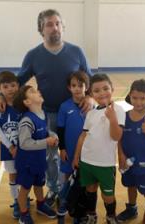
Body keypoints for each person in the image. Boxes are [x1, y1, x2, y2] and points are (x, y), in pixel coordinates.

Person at [0, 9, 92, 206]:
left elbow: (89, 78)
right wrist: (0, 95)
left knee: (73, 152)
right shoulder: (33, 55)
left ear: (62, 27)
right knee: (49, 157)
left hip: (73, 113)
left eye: (57, 24)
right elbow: (17, 82)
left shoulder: (76, 52)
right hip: (45, 115)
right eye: (49, 24)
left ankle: (72, 188)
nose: (54, 28)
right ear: (41, 29)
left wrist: (89, 97)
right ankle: (54, 190)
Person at [72, 73, 126, 224]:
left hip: (105, 163)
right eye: (97, 91)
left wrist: (113, 119)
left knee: (108, 195)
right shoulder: (91, 113)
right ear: (92, 93)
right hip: (87, 161)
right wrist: (77, 157)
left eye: (105, 88)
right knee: (90, 190)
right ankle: (91, 215)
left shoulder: (118, 110)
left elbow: (116, 137)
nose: (102, 93)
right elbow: (83, 136)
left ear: (112, 89)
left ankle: (110, 216)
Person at [117, 79, 145, 224]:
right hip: (128, 161)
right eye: (135, 98)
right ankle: (132, 209)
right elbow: (119, 139)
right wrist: (121, 155)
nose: (138, 102)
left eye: (143, 98)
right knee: (130, 186)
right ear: (129, 96)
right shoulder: (124, 115)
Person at [13, 85, 58, 224]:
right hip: (27, 162)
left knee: (39, 184)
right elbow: (25, 143)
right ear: (27, 102)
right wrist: (46, 141)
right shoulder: (27, 120)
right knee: (25, 189)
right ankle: (23, 213)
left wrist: (52, 135)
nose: (38, 91)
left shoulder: (43, 113)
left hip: (39, 159)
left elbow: (45, 131)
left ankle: (40, 205)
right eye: (32, 92)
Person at [56, 70, 90, 218]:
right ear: (69, 88)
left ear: (86, 87)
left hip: (87, 150)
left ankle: (79, 203)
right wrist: (62, 148)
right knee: (67, 175)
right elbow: (60, 129)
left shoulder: (91, 106)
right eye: (74, 85)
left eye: (80, 85)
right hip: (69, 149)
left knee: (83, 179)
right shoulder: (64, 107)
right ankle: (62, 200)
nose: (77, 88)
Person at [0, 71, 22, 219]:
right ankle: (16, 200)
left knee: (25, 173)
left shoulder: (23, 104)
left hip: (25, 148)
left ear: (18, 86)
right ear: (0, 89)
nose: (10, 89)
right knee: (13, 175)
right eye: (5, 86)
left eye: (13, 85)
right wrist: (10, 146)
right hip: (8, 150)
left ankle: (23, 198)